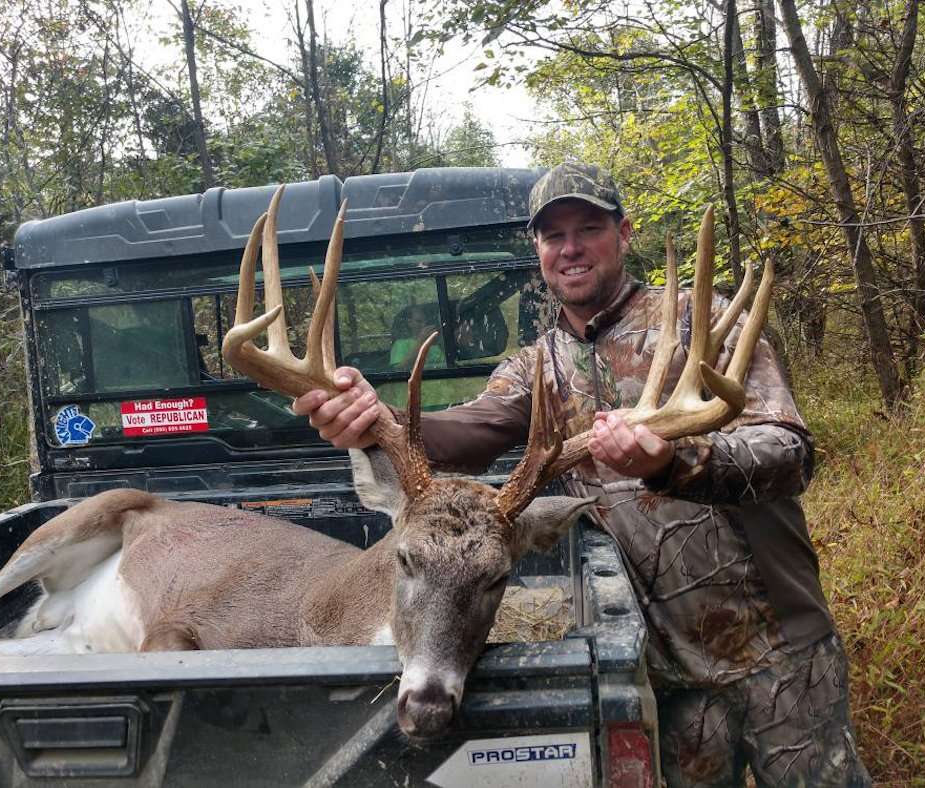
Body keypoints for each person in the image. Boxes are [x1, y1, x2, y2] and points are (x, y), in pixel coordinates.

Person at [293, 163, 870, 787]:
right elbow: (471, 429)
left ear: (624, 233)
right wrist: (376, 421)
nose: (570, 248)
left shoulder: (701, 323)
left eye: (588, 228)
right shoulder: (536, 367)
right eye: (553, 235)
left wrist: (672, 463)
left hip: (778, 648)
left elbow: (790, 452)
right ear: (538, 250)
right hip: (665, 670)